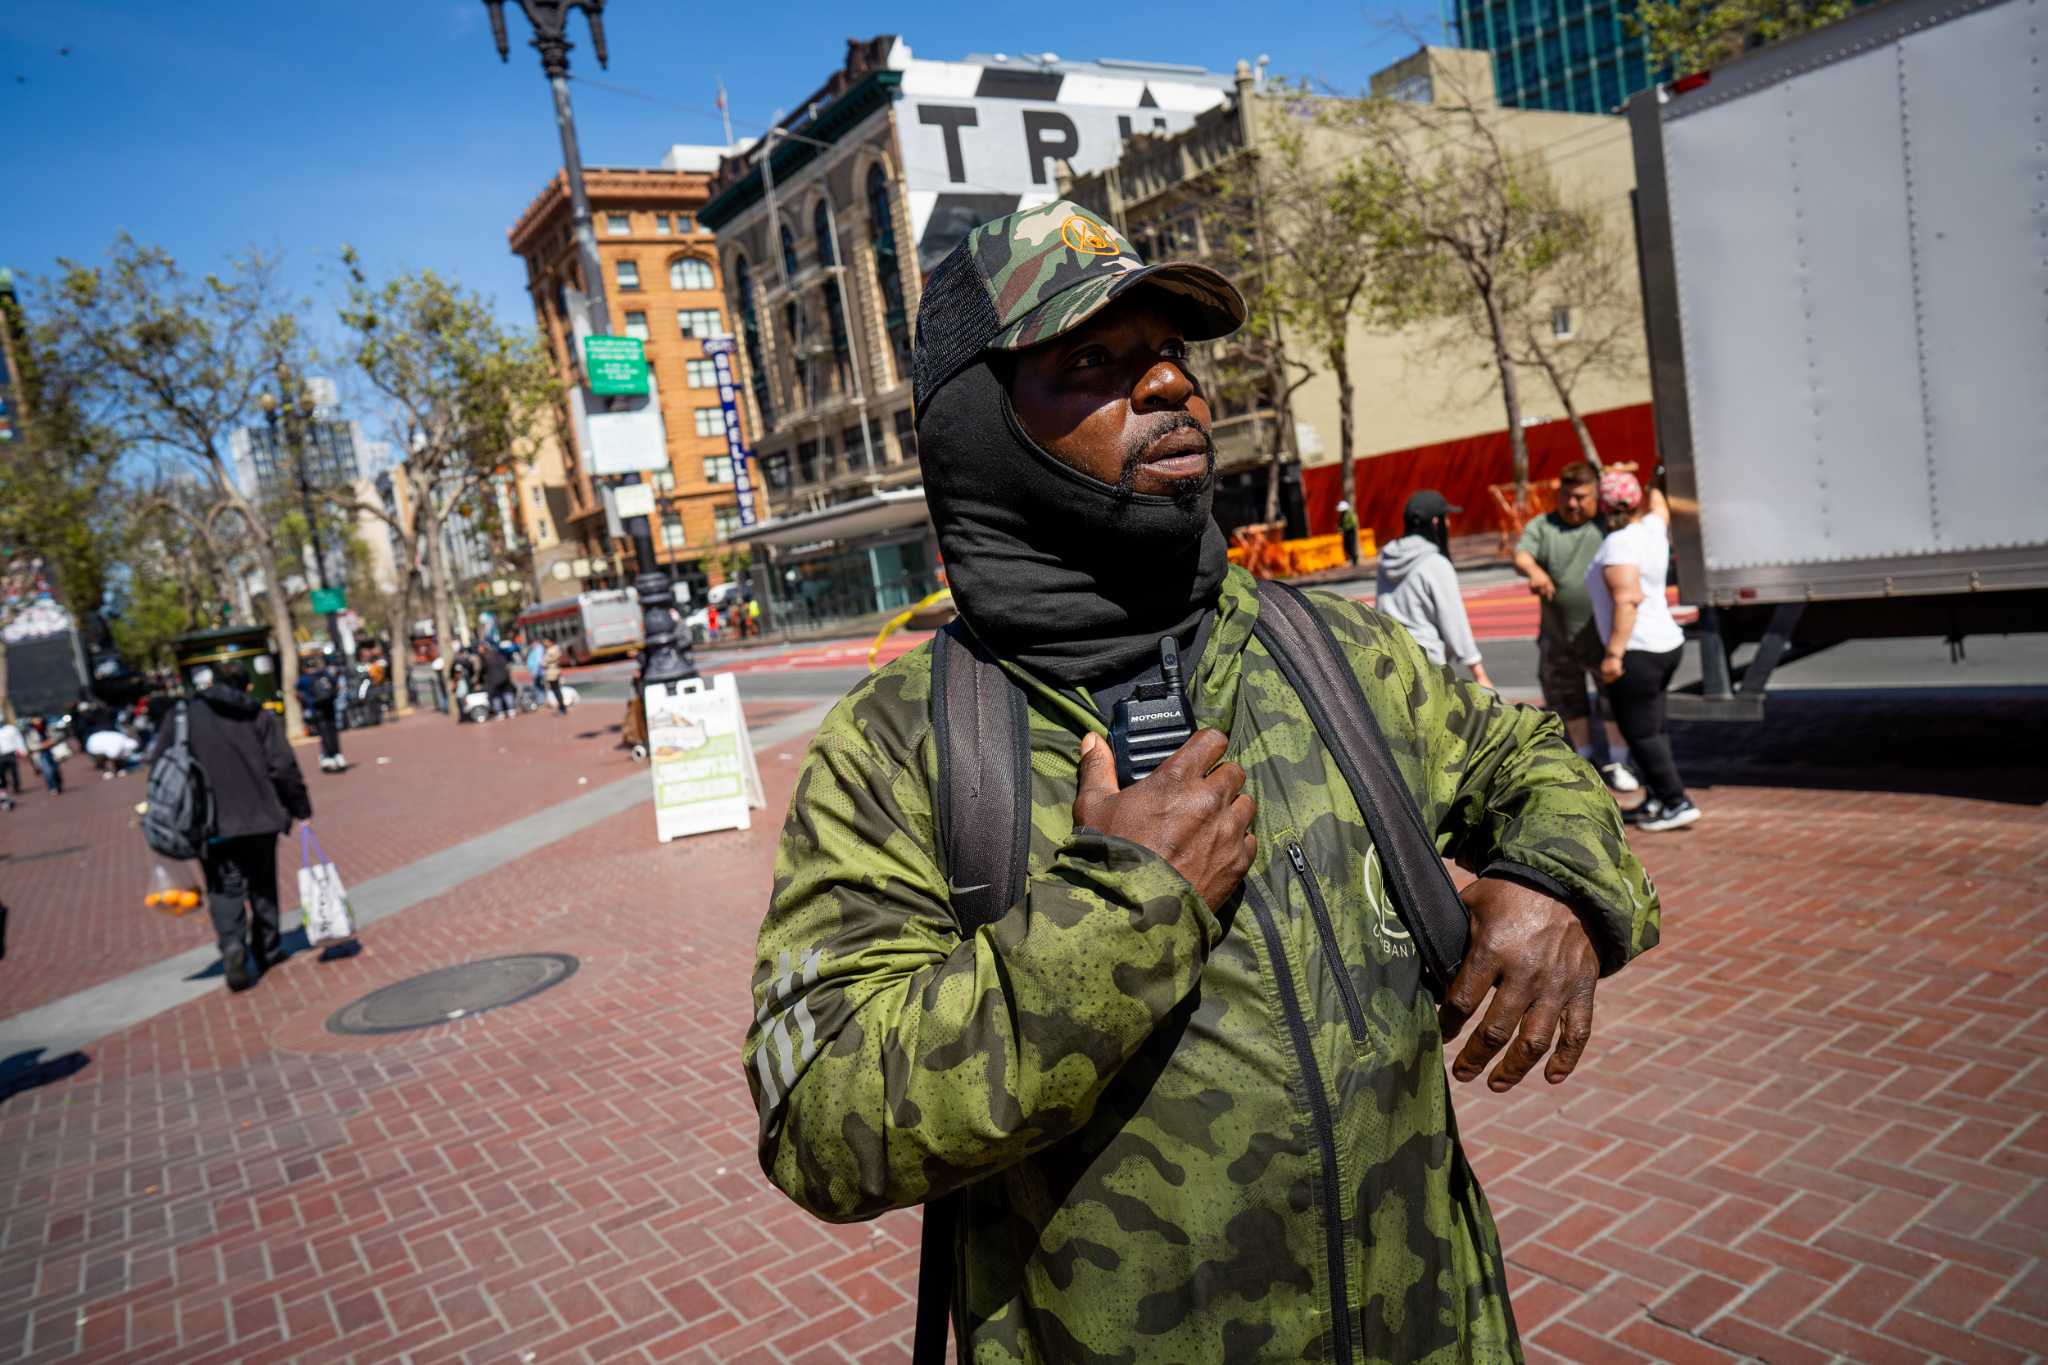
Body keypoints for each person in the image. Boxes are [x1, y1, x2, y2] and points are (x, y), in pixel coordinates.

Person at [742, 200, 1661, 1362]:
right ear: (981, 425)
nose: (1171, 384)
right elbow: (821, 1120)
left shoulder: (1325, 650)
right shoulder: (899, 745)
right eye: (1095, 360)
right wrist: (1124, 911)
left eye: (1170, 352)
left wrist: (1559, 883)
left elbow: (1519, 759)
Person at [160, 660, 312, 990]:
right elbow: (282, 765)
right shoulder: (257, 714)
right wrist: (299, 805)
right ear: (245, 686)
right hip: (259, 817)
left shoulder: (182, 717)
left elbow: (161, 762)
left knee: (223, 888)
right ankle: (267, 947)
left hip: (209, 820)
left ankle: (233, 945)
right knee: (262, 885)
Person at [1514, 461, 1638, 793]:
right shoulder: (1545, 525)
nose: (1572, 504)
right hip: (1558, 637)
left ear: (1596, 495)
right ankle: (1584, 757)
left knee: (1613, 699)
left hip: (1600, 636)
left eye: (1581, 497)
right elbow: (1522, 555)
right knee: (1568, 700)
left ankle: (1618, 760)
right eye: (1567, 496)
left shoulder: (1606, 525)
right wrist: (1535, 571)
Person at [1586, 468, 1699, 832]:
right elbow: (1660, 507)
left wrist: (1614, 654)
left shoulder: (1618, 544)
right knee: (1653, 727)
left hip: (1637, 650)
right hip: (1665, 643)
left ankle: (1675, 801)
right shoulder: (1650, 528)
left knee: (1640, 731)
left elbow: (1627, 599)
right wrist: (1655, 477)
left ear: (1603, 506)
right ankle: (1655, 796)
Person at [1375, 489, 1495, 690]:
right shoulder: (1435, 563)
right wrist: (1479, 673)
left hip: (1391, 659)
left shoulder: (1385, 559)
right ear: (1435, 523)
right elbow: (1453, 621)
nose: (1448, 524)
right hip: (1427, 665)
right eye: (1445, 518)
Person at [296, 655, 347, 772]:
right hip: (329, 707)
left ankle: (328, 757)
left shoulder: (304, 679)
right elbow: (338, 686)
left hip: (316, 709)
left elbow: (298, 694)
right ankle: (337, 754)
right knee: (332, 731)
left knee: (323, 733)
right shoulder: (325, 674)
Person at [479, 637, 515, 720]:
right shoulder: (497, 654)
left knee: (496, 696)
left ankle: (501, 712)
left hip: (494, 681)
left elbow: (482, 670)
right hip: (504, 678)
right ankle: (511, 710)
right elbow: (506, 665)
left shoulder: (485, 658)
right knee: (507, 694)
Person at [26, 717, 62, 795]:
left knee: (55, 770)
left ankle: (58, 784)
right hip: (41, 753)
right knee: (47, 771)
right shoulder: (31, 733)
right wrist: (41, 745)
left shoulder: (48, 729)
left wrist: (51, 742)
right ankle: (52, 787)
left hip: (52, 751)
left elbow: (57, 736)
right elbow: (30, 746)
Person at [0, 714, 24, 810]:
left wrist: (22, 750)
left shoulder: (10, 729)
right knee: (2, 775)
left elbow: (18, 739)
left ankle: (16, 787)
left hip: (10, 753)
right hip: (0, 756)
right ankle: (4, 790)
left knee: (14, 772)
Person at [541, 639, 567, 715]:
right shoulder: (553, 649)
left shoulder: (551, 650)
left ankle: (562, 707)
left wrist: (543, 662)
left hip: (552, 672)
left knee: (556, 690)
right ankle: (561, 706)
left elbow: (545, 662)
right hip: (553, 671)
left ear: (550, 641)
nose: (544, 643)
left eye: (546, 641)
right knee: (556, 689)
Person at [1337, 497, 1361, 565]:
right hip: (1345, 532)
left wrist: (1345, 528)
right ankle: (1353, 557)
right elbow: (1341, 523)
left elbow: (1353, 522)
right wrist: (1340, 528)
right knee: (1346, 546)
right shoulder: (1342, 515)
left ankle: (1354, 559)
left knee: (1351, 545)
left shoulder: (1350, 513)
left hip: (1351, 531)